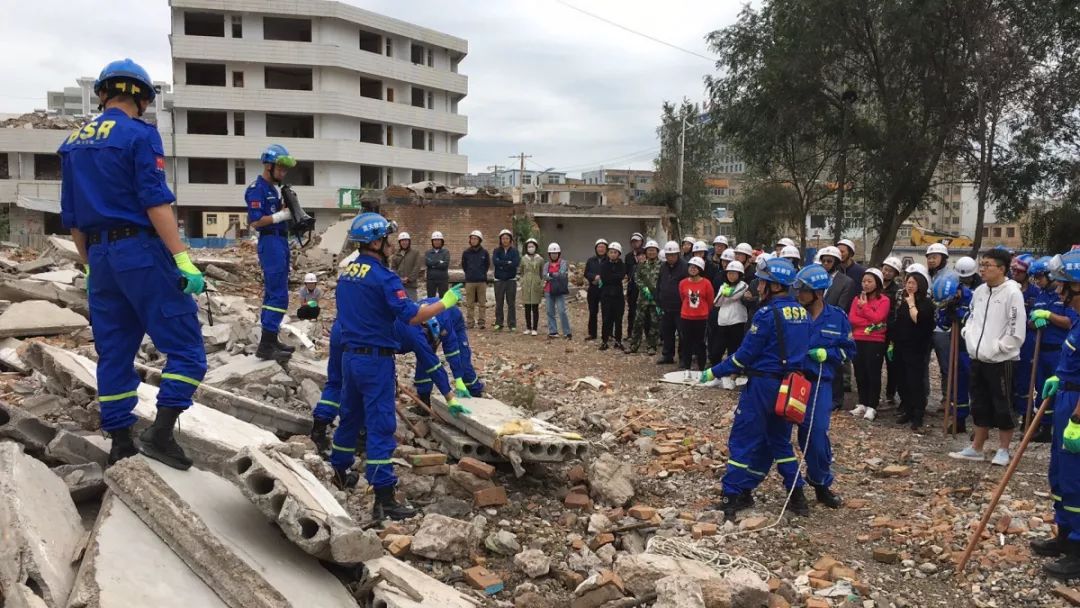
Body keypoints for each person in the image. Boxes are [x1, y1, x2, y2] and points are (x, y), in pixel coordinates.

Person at [59, 58, 208, 470]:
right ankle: (161, 433)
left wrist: (91, 267)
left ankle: (121, 443)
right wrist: (181, 258)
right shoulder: (140, 135)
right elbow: (154, 200)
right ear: (142, 98)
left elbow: (72, 218)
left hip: (101, 257)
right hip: (140, 252)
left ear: (103, 92)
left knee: (114, 353)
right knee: (187, 350)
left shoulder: (73, 143)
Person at [331, 212, 464, 520]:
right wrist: (444, 303)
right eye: (387, 239)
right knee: (380, 425)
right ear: (376, 242)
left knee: (350, 417)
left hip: (349, 357)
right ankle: (384, 498)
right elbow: (412, 315)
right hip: (375, 360)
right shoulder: (384, 277)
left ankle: (339, 472)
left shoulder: (348, 273)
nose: (391, 244)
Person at [700, 257, 811, 518]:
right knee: (780, 443)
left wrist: (713, 371)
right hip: (790, 387)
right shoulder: (802, 313)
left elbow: (744, 356)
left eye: (762, 283)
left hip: (763, 385)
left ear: (773, 286)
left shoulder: (766, 314)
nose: (758, 287)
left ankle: (731, 497)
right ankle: (797, 497)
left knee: (743, 440)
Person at [1029, 251, 1080, 578]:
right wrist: (1059, 379)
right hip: (1066, 398)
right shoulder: (1078, 321)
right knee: (1059, 475)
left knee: (1077, 482)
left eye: (1066, 288)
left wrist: (1077, 419)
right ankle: (1063, 535)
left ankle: (1077, 549)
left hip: (1077, 409)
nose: (1059, 294)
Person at [949, 248, 1026, 465]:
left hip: (1002, 360)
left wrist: (999, 347)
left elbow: (1016, 328)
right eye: (981, 265)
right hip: (978, 356)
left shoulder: (1012, 293)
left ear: (1002, 269)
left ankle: (1003, 449)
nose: (982, 269)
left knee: (1002, 404)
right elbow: (972, 317)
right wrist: (968, 335)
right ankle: (977, 447)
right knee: (979, 403)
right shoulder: (980, 291)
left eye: (988, 265)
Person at [793, 263, 854, 508]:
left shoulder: (837, 318)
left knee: (816, 435)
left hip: (819, 384)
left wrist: (827, 353)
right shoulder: (793, 315)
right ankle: (790, 487)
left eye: (803, 291)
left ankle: (820, 483)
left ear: (817, 293)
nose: (798, 295)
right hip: (791, 381)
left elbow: (849, 351)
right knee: (775, 435)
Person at [246, 143, 298, 361]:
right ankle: (266, 344)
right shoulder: (256, 189)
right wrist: (281, 216)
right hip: (270, 243)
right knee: (278, 294)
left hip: (280, 241)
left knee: (274, 291)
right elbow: (256, 221)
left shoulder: (272, 190)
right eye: (281, 168)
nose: (283, 173)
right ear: (269, 166)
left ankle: (270, 338)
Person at [1029, 255, 1080, 442]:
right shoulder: (1041, 295)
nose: (1058, 290)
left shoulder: (1069, 307)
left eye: (1061, 285)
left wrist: (1049, 315)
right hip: (1041, 350)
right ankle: (1044, 424)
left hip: (1059, 352)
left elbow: (1067, 322)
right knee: (1042, 389)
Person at [888, 266, 936, 430]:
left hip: (916, 348)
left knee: (915, 381)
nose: (909, 286)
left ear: (921, 285)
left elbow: (919, 320)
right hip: (901, 345)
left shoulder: (926, 303)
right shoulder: (903, 300)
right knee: (902, 380)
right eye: (908, 282)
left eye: (913, 283)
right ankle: (907, 410)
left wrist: (911, 304)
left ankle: (918, 415)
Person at [930, 270, 972, 433]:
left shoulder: (973, 297)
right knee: (957, 383)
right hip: (956, 345)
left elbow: (975, 319)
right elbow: (943, 323)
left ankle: (980, 423)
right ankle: (959, 419)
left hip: (972, 347)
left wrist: (960, 315)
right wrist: (947, 315)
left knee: (975, 385)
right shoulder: (946, 301)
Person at [849, 269, 891, 421]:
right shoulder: (856, 299)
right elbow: (852, 319)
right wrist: (868, 320)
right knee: (859, 372)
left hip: (875, 340)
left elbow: (879, 318)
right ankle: (862, 402)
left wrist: (865, 308)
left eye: (869, 281)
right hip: (858, 338)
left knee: (873, 372)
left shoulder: (884, 300)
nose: (866, 284)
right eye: (864, 281)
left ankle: (872, 405)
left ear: (877, 283)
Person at [819, 246, 855, 410]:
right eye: (823, 260)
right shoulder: (818, 277)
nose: (825, 264)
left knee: (835, 361)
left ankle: (836, 398)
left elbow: (842, 305)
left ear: (836, 262)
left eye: (829, 261)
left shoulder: (845, 281)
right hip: (817, 321)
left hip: (834, 323)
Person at [710, 260, 748, 388]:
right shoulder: (723, 286)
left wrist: (727, 293)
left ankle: (731, 378)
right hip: (723, 321)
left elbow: (735, 296)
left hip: (737, 321)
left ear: (740, 274)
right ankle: (717, 376)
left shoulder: (743, 285)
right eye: (729, 273)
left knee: (733, 351)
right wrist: (724, 292)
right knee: (716, 350)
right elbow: (716, 302)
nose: (731, 276)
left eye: (734, 273)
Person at [1011, 255, 1040, 425]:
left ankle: (1025, 412)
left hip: (1027, 338)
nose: (1015, 273)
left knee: (1024, 377)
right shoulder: (1007, 288)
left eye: (1019, 271)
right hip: (1009, 335)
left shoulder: (1035, 293)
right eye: (1013, 270)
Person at [926, 243, 952, 409]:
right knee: (922, 363)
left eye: (935, 257)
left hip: (943, 327)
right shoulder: (925, 275)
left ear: (943, 258)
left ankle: (947, 398)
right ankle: (923, 396)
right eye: (929, 257)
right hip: (926, 326)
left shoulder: (951, 277)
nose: (931, 260)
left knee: (946, 366)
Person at [679, 257, 714, 373]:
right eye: (691, 267)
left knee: (700, 343)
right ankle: (687, 367)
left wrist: (703, 312)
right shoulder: (683, 283)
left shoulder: (706, 283)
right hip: (686, 317)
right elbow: (683, 298)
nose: (693, 269)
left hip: (701, 318)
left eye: (696, 267)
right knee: (686, 342)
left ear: (700, 269)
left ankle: (701, 367)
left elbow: (710, 301)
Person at [657, 241, 689, 364]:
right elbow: (659, 283)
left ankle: (683, 357)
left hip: (680, 307)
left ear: (677, 254)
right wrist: (658, 299)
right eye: (668, 255)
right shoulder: (663, 267)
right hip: (666, 306)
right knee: (667, 332)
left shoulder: (684, 267)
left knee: (682, 334)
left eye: (673, 255)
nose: (670, 257)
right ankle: (667, 355)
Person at [629, 240, 661, 355]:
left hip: (655, 300)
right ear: (646, 252)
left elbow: (663, 281)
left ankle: (652, 346)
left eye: (653, 250)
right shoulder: (641, 265)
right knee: (638, 322)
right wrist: (645, 289)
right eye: (649, 250)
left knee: (654, 324)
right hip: (643, 299)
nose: (651, 252)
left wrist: (656, 292)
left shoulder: (662, 266)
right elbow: (637, 279)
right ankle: (634, 345)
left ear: (657, 252)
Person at [881, 256, 904, 406]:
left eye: (891, 271)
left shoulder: (897, 291)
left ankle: (890, 393)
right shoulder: (874, 286)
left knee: (892, 364)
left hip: (890, 331)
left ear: (896, 274)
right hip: (874, 331)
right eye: (886, 269)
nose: (887, 273)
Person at [599, 242, 627, 351]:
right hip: (606, 295)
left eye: (615, 252)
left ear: (619, 254)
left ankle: (618, 341)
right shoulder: (604, 264)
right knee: (606, 319)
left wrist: (612, 277)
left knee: (618, 319)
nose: (613, 254)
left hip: (618, 296)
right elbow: (605, 277)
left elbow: (620, 276)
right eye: (611, 252)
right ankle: (604, 340)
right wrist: (613, 277)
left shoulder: (622, 265)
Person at [492, 229, 520, 332]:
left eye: (507, 238)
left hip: (511, 280)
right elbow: (495, 262)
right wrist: (507, 262)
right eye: (503, 238)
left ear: (510, 240)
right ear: (500, 239)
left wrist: (503, 264)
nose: (505, 240)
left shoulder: (514, 251)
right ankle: (499, 323)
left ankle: (512, 324)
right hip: (499, 280)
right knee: (499, 302)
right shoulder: (496, 251)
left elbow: (515, 263)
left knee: (511, 303)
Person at [461, 230, 490, 329]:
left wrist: (482, 274)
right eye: (472, 238)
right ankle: (470, 322)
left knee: (482, 303)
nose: (473, 240)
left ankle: (481, 323)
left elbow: (487, 265)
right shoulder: (466, 253)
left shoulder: (484, 253)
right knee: (470, 304)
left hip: (481, 281)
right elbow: (464, 265)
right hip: (470, 281)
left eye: (475, 239)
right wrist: (469, 274)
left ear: (479, 240)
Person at [543, 243, 572, 339]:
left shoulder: (563, 263)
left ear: (559, 254)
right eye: (552, 253)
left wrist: (551, 274)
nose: (554, 255)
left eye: (556, 253)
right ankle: (553, 331)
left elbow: (562, 274)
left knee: (562, 311)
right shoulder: (546, 264)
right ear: (549, 254)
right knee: (550, 311)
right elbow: (544, 276)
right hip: (548, 290)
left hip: (559, 290)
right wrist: (554, 275)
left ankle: (567, 332)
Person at [584, 239, 608, 341]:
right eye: (599, 247)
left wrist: (602, 277)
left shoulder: (609, 260)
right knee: (593, 311)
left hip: (605, 289)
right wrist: (594, 277)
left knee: (606, 312)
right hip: (593, 288)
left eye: (603, 247)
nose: (601, 249)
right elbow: (586, 273)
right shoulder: (591, 260)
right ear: (596, 248)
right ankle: (592, 333)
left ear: (606, 249)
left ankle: (607, 333)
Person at [519, 238, 544, 336]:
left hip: (536, 284)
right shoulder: (523, 259)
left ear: (536, 247)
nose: (531, 248)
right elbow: (521, 271)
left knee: (535, 307)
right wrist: (522, 281)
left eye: (532, 246)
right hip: (526, 284)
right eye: (529, 246)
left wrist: (540, 283)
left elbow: (542, 272)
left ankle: (535, 328)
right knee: (527, 307)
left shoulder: (540, 259)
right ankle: (528, 327)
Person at [390, 231, 421, 300]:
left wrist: (409, 278)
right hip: (399, 285)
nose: (404, 242)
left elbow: (417, 267)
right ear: (400, 242)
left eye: (406, 240)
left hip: (411, 286)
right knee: (401, 305)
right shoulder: (396, 254)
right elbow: (393, 268)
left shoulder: (415, 253)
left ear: (409, 242)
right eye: (402, 241)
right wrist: (398, 278)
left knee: (413, 305)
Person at [626, 233, 644, 338]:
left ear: (641, 241)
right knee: (632, 310)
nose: (635, 243)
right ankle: (631, 333)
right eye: (633, 241)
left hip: (645, 289)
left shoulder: (646, 253)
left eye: (637, 241)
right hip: (632, 288)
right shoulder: (628, 256)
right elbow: (627, 272)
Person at [425, 231, 450, 298]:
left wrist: (433, 264)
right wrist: (439, 261)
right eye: (435, 240)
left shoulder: (446, 252)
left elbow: (445, 265)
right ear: (432, 241)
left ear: (442, 241)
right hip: (431, 280)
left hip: (443, 280)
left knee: (444, 300)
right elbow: (428, 263)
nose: (437, 242)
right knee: (431, 299)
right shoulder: (428, 253)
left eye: (438, 240)